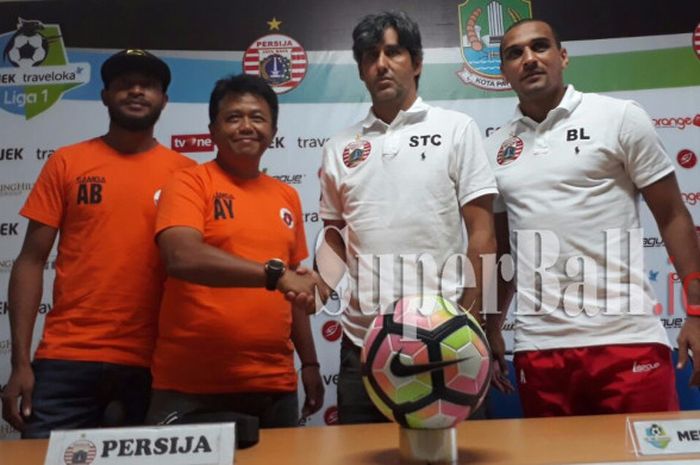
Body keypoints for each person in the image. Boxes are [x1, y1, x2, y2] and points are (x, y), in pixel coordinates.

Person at [484, 19, 700, 416]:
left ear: (562, 56)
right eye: (515, 53)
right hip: (539, 349)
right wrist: (492, 325)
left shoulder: (619, 117)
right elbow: (504, 258)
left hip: (628, 340)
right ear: (504, 72)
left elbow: (672, 216)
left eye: (540, 47)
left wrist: (697, 312)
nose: (529, 59)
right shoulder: (494, 147)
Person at [1, 49, 195, 437]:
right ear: (105, 96)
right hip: (67, 357)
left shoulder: (187, 174)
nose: (136, 92)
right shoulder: (67, 162)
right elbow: (30, 260)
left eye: (148, 86)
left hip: (155, 362)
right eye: (124, 84)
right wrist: (20, 363)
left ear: (164, 100)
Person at [318, 11, 498, 424]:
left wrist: (469, 323)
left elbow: (483, 234)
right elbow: (334, 238)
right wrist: (315, 288)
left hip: (449, 345)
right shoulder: (338, 146)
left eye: (393, 52)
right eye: (369, 56)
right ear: (362, 71)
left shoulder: (457, 128)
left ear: (416, 63)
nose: (380, 63)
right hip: (364, 345)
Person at [144, 74, 323, 428]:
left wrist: (312, 364)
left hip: (274, 385)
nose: (246, 126)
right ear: (212, 129)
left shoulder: (286, 196)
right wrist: (275, 275)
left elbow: (293, 289)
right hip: (190, 387)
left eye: (257, 117)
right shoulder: (189, 182)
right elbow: (182, 257)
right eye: (233, 117)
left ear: (272, 130)